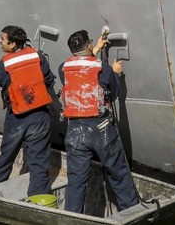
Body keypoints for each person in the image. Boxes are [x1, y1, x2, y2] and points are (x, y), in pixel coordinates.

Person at [60, 30, 140, 214]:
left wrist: (94, 49)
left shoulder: (63, 68)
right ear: (88, 45)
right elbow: (113, 93)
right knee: (118, 173)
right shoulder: (104, 70)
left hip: (75, 131)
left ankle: (72, 217)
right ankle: (132, 214)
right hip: (101, 130)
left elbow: (80, 66)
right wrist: (116, 73)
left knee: (76, 181)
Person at [0, 25, 58, 206]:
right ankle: (38, 201)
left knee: (7, 156)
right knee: (39, 161)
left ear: (13, 44)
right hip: (40, 115)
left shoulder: (4, 64)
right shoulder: (38, 56)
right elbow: (48, 79)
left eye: (3, 39)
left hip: (17, 117)